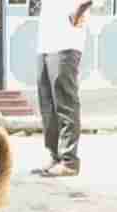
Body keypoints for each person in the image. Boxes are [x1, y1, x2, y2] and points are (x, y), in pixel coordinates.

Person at [33, 0, 94, 177]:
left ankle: (69, 161)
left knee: (65, 103)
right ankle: (55, 156)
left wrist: (77, 13)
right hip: (45, 43)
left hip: (66, 42)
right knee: (47, 106)